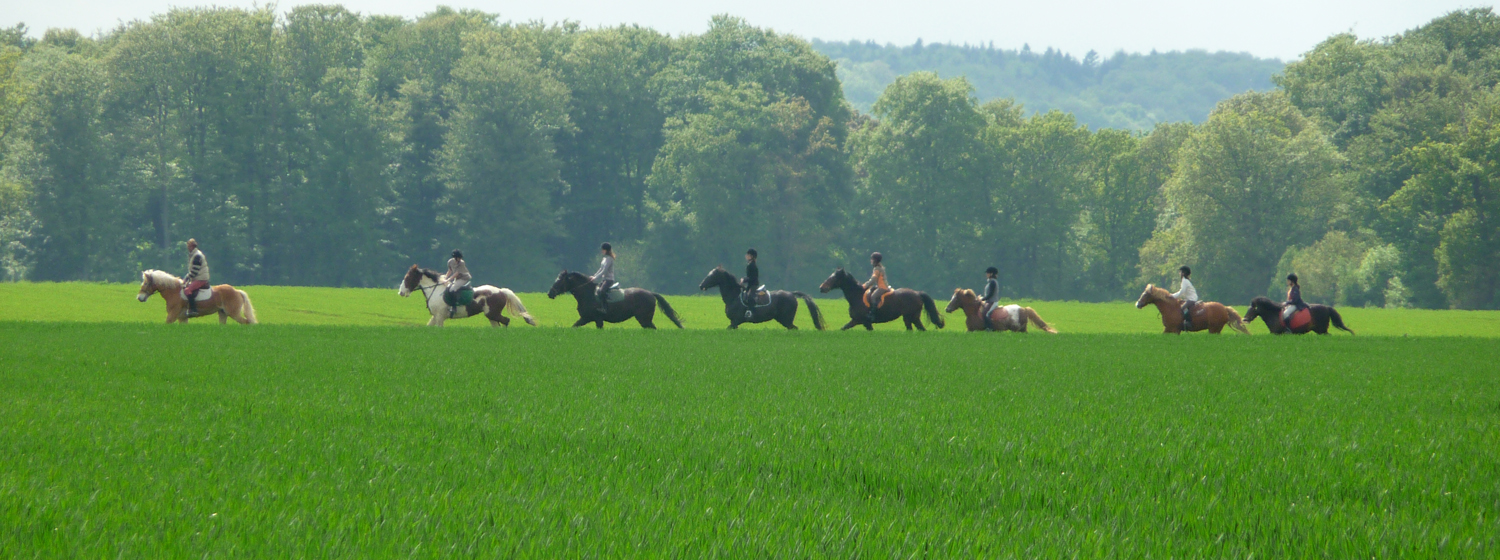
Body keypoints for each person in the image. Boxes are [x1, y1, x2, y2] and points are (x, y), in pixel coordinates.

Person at [181, 238, 210, 317]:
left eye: (189, 246)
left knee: (187, 290)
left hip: (201, 278)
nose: (188, 248)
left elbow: (194, 271)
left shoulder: (197, 255)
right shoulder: (194, 254)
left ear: (192, 246)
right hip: (197, 278)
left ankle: (193, 310)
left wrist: (186, 278)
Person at [440, 249, 471, 318]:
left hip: (463, 278)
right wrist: (445, 277)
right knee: (448, 288)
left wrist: (448, 280)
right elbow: (450, 270)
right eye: (458, 258)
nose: (459, 259)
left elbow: (456, 273)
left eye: (460, 258)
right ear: (455, 257)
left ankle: (454, 307)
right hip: (457, 278)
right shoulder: (450, 262)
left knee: (452, 289)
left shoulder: (461, 263)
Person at [863, 252, 889, 323]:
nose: (871, 260)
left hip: (882, 287)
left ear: (875, 260)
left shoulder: (877, 269)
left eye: (872, 259)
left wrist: (865, 285)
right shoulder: (880, 267)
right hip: (881, 286)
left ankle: (873, 314)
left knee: (873, 296)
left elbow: (873, 279)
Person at [590, 243, 616, 314]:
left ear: (606, 250)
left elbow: (604, 270)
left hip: (609, 280)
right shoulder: (604, 259)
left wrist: (595, 278)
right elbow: (600, 269)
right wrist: (594, 276)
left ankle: (605, 308)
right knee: (596, 290)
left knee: (602, 291)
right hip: (604, 279)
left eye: (603, 249)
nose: (602, 251)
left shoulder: (609, 259)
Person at [1172, 265, 1198, 332]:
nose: (1179, 273)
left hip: (1191, 299)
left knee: (1181, 309)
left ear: (1183, 273)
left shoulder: (1185, 281)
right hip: (1190, 298)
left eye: (1180, 272)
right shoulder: (1185, 280)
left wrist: (1171, 296)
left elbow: (1181, 292)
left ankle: (1188, 322)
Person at [741, 249, 760, 316]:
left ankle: (750, 312)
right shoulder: (750, 264)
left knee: (750, 297)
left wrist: (744, 280)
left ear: (751, 256)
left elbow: (753, 278)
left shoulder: (752, 265)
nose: (746, 256)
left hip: (753, 285)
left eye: (748, 255)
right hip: (750, 285)